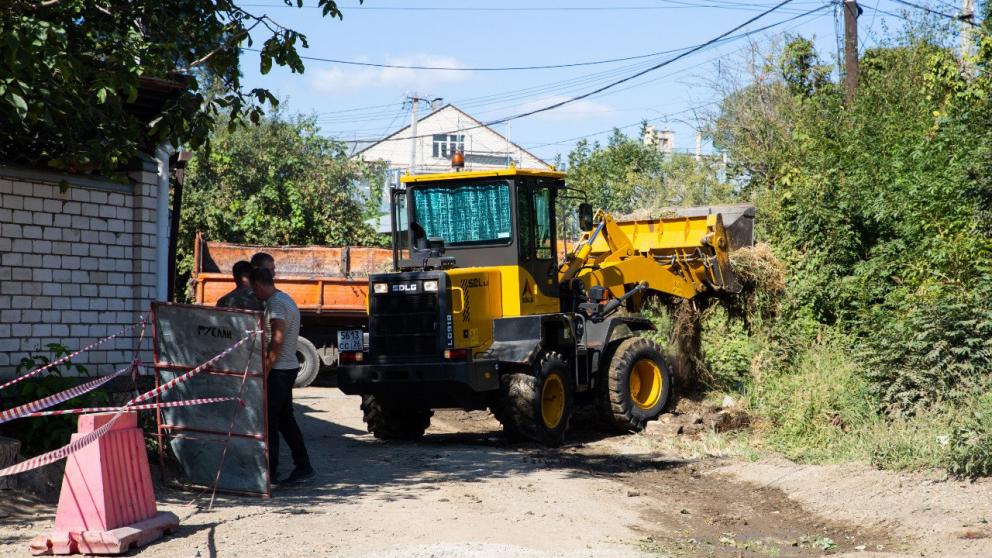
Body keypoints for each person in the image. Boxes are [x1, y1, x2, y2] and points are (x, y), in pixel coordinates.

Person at [249, 266, 314, 484]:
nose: (254, 294)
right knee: (285, 419)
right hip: (287, 367)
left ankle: (271, 471)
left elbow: (276, 339)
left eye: (254, 289)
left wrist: (265, 370)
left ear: (258, 284)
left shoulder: (276, 304)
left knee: (271, 421)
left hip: (279, 370)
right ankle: (303, 464)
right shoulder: (285, 299)